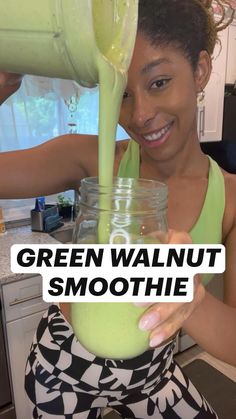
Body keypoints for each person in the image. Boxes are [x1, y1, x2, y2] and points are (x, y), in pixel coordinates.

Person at [0, 0, 236, 417]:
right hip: (66, 369)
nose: (140, 114)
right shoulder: (94, 161)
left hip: (153, 376)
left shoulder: (231, 198)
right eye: (123, 93)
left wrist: (191, 296)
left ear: (200, 71)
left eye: (159, 81)